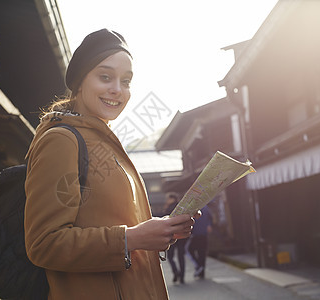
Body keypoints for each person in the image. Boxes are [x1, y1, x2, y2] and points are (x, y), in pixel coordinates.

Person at [24, 29, 199, 300]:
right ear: (80, 81)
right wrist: (132, 239)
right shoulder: (61, 140)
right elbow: (44, 243)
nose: (117, 89)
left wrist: (157, 230)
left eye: (126, 81)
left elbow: (116, 224)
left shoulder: (104, 142)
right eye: (105, 77)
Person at [161, 192, 188, 284]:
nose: (167, 200)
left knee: (170, 256)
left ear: (172, 199)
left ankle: (175, 272)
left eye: (168, 198)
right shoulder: (182, 208)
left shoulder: (169, 208)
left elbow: (164, 222)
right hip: (182, 235)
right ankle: (182, 276)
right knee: (181, 256)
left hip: (172, 236)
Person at [187, 205, 213, 279]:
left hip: (199, 234)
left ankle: (200, 269)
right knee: (199, 252)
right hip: (198, 233)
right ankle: (200, 268)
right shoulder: (202, 208)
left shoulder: (203, 208)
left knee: (197, 251)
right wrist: (209, 225)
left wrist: (209, 225)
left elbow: (210, 217)